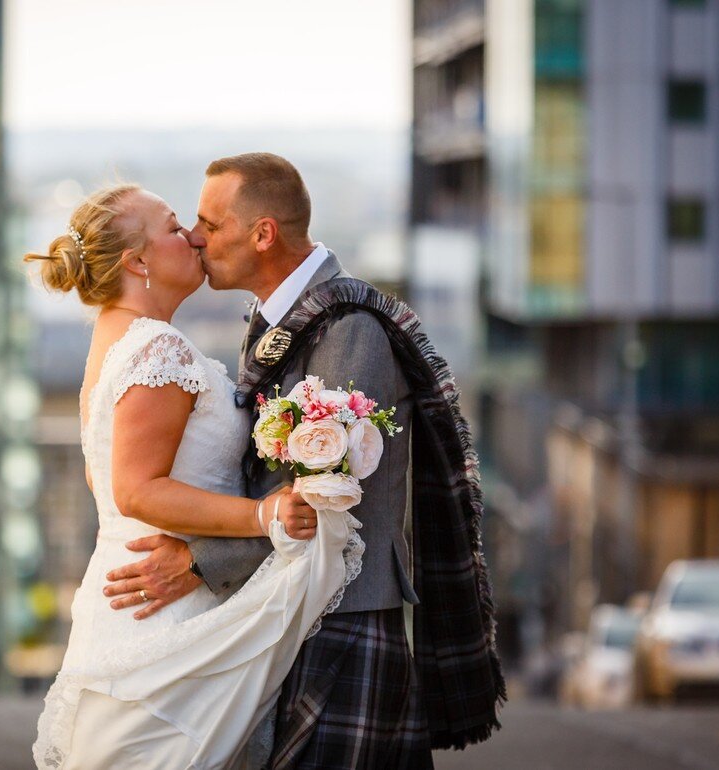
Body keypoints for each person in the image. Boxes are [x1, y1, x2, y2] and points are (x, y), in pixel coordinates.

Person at [104, 153, 505, 768]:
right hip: (295, 603)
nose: (195, 236)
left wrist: (199, 561)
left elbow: (327, 501)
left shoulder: (347, 330)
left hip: (343, 612)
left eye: (211, 223)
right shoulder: (280, 320)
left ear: (263, 234)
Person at [26, 184, 366, 769]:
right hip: (163, 613)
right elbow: (133, 489)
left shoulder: (112, 339)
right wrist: (262, 515)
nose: (192, 237)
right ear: (138, 261)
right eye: (173, 226)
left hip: (136, 590)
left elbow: (100, 478)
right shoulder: (157, 348)